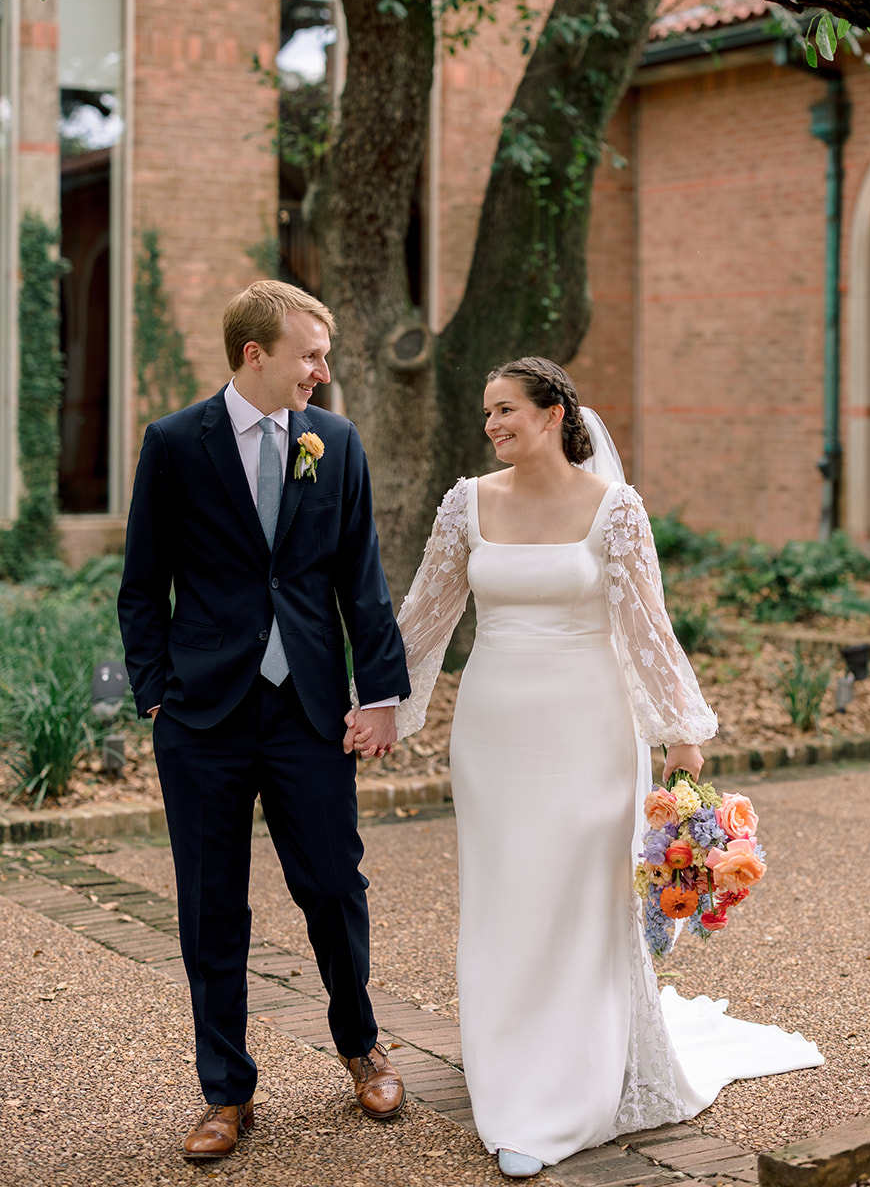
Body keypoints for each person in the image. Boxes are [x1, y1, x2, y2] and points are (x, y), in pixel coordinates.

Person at [393, 357, 823, 1179]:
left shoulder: (614, 509)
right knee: (506, 897)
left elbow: (645, 626)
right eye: (486, 413)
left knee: (579, 899)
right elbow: (423, 615)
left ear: (554, 413)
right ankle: (507, 1067)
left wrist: (681, 732)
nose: (491, 425)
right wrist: (380, 704)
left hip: (590, 730)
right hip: (491, 735)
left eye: (507, 409)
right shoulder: (466, 504)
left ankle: (564, 1092)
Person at [118, 280, 411, 1161]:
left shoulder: (335, 441)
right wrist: (155, 692)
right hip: (202, 713)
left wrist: (381, 696)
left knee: (332, 884)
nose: (321, 371)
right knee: (212, 907)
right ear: (256, 355)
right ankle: (225, 1092)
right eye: (309, 355)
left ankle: (360, 1046)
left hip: (309, 709)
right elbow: (142, 583)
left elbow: (360, 577)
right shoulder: (175, 444)